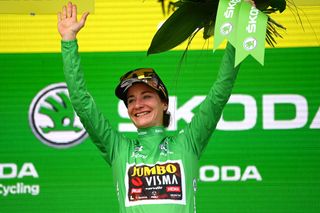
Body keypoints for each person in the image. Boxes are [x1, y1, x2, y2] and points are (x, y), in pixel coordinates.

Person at [58, 2, 240, 212]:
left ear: (164, 103)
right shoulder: (118, 149)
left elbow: (219, 94)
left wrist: (237, 34)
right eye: (131, 100)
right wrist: (69, 40)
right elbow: (82, 102)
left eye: (146, 96)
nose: (138, 105)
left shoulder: (188, 142)